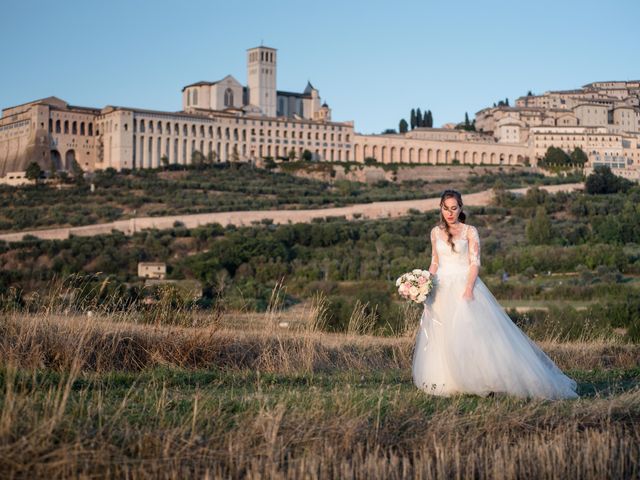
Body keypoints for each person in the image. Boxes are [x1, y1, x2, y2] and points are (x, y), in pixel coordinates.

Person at [412, 189, 578, 400]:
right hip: (441, 286)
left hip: (464, 284)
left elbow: (475, 262)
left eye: (454, 208)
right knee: (442, 333)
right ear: (441, 209)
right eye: (446, 209)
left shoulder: (470, 231)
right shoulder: (435, 232)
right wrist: (425, 283)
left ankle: (482, 378)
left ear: (461, 208)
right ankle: (447, 380)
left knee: (471, 334)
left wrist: (469, 288)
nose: (450, 213)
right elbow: (435, 261)